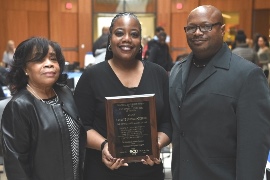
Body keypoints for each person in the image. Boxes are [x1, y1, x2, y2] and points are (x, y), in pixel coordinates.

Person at [169, 5, 270, 180]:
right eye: (191, 28)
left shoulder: (247, 75)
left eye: (206, 26)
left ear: (222, 30)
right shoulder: (177, 70)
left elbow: (253, 146)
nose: (197, 32)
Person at [74, 12, 172, 180]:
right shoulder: (91, 76)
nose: (127, 39)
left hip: (149, 172)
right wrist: (105, 145)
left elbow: (168, 123)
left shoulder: (159, 74)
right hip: (102, 172)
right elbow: (81, 126)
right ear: (110, 38)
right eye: (119, 33)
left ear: (140, 40)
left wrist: (156, 145)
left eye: (134, 34)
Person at [1, 37, 86, 180]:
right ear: (25, 69)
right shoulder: (19, 106)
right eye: (39, 60)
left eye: (53, 59)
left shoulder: (64, 92)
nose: (49, 64)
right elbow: (16, 167)